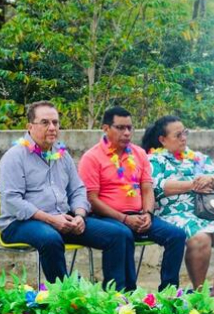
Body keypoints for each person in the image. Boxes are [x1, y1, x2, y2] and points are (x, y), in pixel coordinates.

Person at [0, 101, 132, 289]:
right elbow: (12, 201)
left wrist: (79, 215)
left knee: (119, 234)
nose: (52, 127)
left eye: (55, 122)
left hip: (63, 219)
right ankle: (65, 296)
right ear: (30, 126)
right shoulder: (15, 156)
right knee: (50, 238)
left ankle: (117, 296)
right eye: (45, 122)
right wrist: (51, 219)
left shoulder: (62, 155)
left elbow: (77, 190)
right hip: (20, 223)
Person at [78, 106, 186, 291]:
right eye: (120, 128)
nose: (127, 133)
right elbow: (92, 200)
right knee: (122, 234)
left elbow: (147, 188)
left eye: (129, 128)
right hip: (107, 218)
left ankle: (168, 294)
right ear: (106, 128)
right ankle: (122, 293)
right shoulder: (92, 157)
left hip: (139, 216)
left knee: (176, 235)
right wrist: (125, 219)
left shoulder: (139, 154)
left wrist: (148, 214)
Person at [142, 115, 214, 297]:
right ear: (163, 140)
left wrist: (210, 178)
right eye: (178, 135)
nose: (184, 138)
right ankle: (200, 294)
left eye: (185, 133)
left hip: (205, 211)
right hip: (173, 212)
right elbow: (158, 187)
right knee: (200, 238)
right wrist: (193, 184)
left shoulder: (197, 157)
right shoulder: (154, 160)